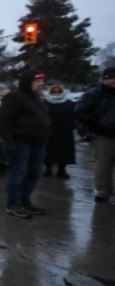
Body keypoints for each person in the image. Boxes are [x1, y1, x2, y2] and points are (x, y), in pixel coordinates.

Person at [0, 70, 50, 218]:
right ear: (28, 82)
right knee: (18, 174)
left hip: (38, 143)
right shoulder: (15, 98)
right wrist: (9, 142)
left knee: (33, 174)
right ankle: (13, 203)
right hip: (20, 143)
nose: (41, 84)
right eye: (37, 81)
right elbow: (5, 122)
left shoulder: (37, 99)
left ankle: (25, 200)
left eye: (42, 81)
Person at [75, 67, 115, 204]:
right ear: (105, 79)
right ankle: (103, 192)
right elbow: (79, 112)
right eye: (112, 78)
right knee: (104, 165)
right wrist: (92, 126)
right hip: (103, 135)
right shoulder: (94, 94)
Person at [43, 83, 75, 179]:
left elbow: (74, 116)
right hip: (48, 132)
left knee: (64, 152)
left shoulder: (69, 103)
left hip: (64, 132)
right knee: (47, 151)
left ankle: (62, 170)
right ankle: (48, 169)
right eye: (53, 92)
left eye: (58, 92)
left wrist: (71, 126)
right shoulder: (44, 103)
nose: (56, 93)